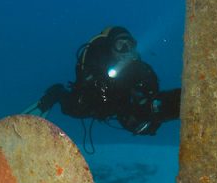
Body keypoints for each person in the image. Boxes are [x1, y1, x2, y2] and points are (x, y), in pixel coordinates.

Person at [26, 26, 180, 137]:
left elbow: (153, 94)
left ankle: (186, 102)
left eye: (129, 45)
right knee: (72, 109)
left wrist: (151, 108)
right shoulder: (98, 63)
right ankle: (56, 93)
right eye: (120, 45)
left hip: (120, 107)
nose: (125, 49)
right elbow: (85, 89)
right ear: (111, 48)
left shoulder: (141, 69)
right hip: (93, 104)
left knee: (146, 116)